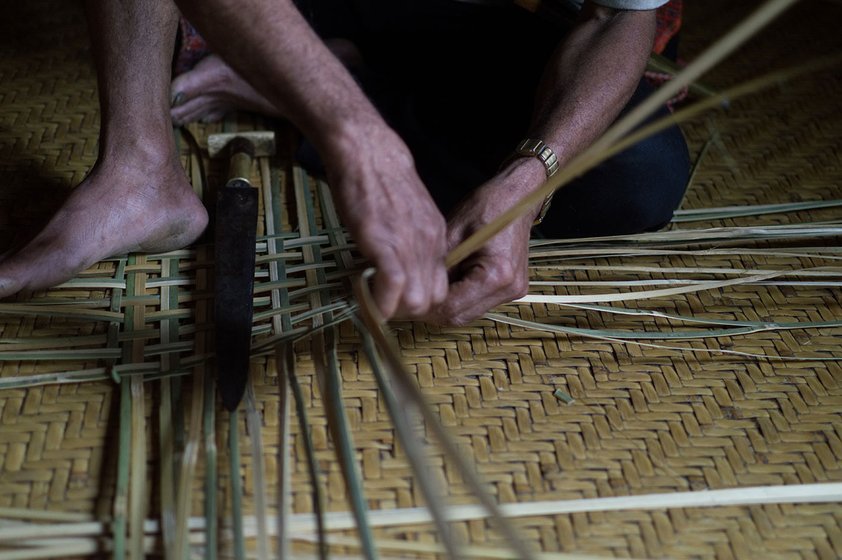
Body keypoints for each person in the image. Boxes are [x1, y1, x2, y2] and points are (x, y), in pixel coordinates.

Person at [0, 0, 689, 326]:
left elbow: (615, 18)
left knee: (638, 175)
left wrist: (532, 174)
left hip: (496, 18)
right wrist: (356, 137)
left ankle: (320, 80)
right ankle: (138, 162)